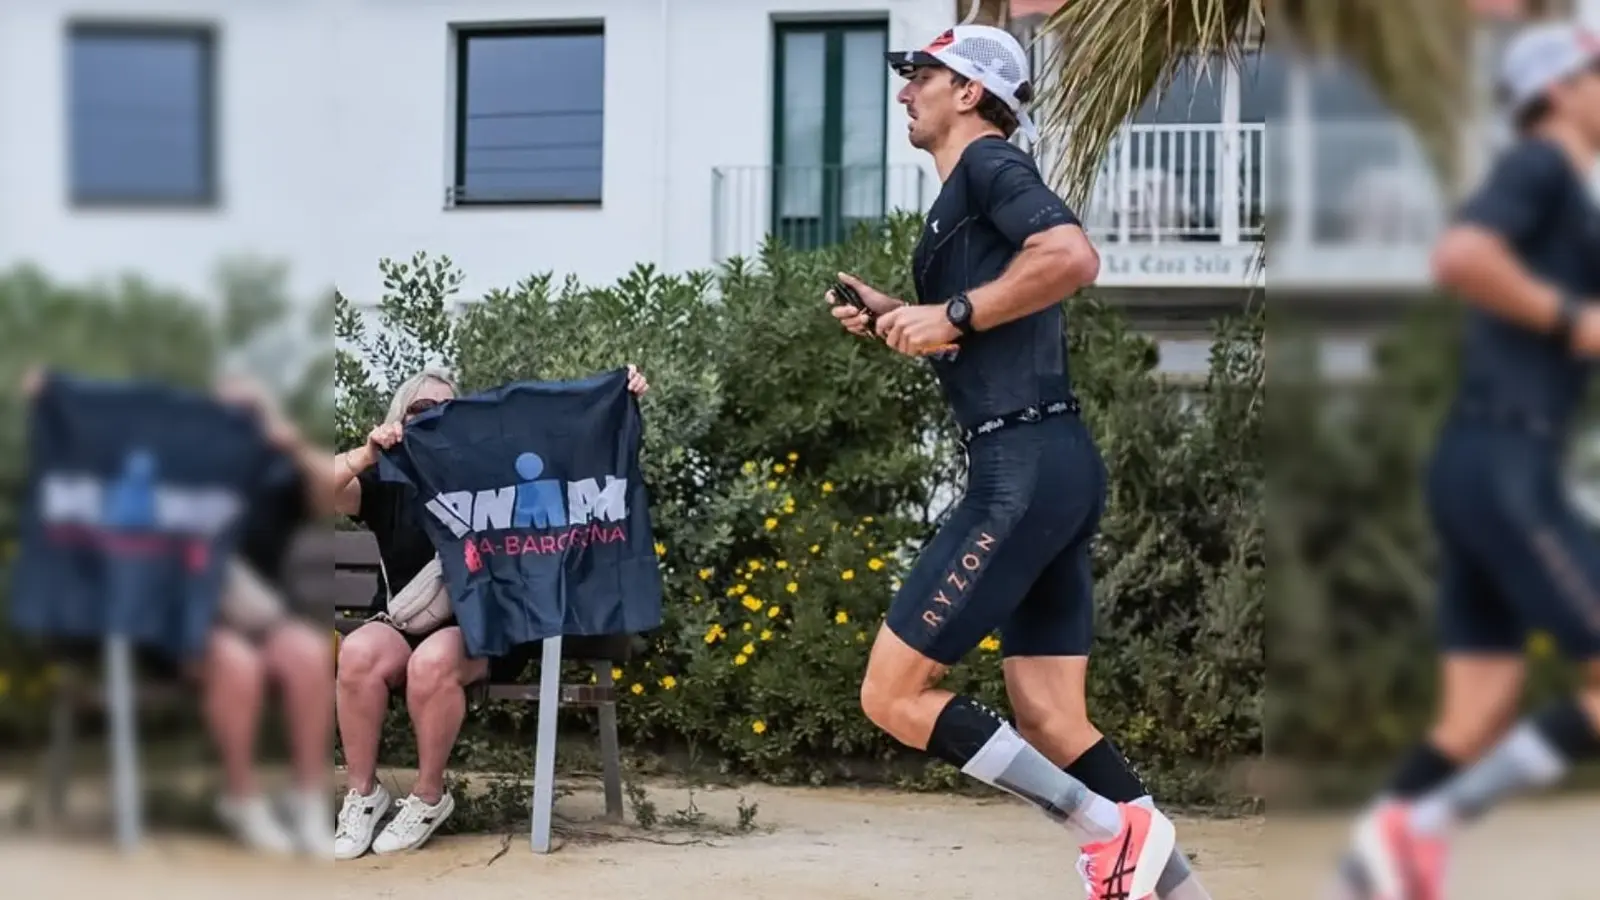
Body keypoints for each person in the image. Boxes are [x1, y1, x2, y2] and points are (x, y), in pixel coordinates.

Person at [825, 25, 1205, 900]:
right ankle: (1182, 892)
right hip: (1051, 463)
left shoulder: (991, 166)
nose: (902, 91)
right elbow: (986, 338)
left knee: (892, 695)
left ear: (967, 90)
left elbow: (1071, 257)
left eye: (918, 74)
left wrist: (948, 313)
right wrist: (902, 316)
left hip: (1022, 469)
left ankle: (1110, 831)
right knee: (1049, 715)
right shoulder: (965, 196)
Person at [1335, 22, 1600, 900]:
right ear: (1557, 89)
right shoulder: (1541, 169)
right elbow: (1462, 255)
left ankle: (1377, 864)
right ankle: (1412, 837)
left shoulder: (1563, 190)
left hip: (1484, 460)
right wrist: (1573, 321)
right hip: (1504, 461)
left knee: (1478, 711)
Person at [332, 365, 650, 861]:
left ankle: (429, 796)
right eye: (421, 410)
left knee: (432, 662)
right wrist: (365, 454)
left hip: (484, 626)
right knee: (356, 652)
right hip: (403, 622)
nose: (435, 416)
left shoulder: (489, 470)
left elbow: (580, 464)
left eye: (448, 410)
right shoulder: (385, 479)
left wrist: (617, 398)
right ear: (399, 417)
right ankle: (364, 796)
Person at [19, 367, 336, 856]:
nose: (236, 423)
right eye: (225, 413)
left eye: (247, 414)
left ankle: (307, 800)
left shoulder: (274, 471)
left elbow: (328, 493)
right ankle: (241, 797)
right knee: (238, 664)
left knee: (310, 655)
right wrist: (61, 399)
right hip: (169, 625)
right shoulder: (171, 470)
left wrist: (286, 439)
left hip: (256, 616)